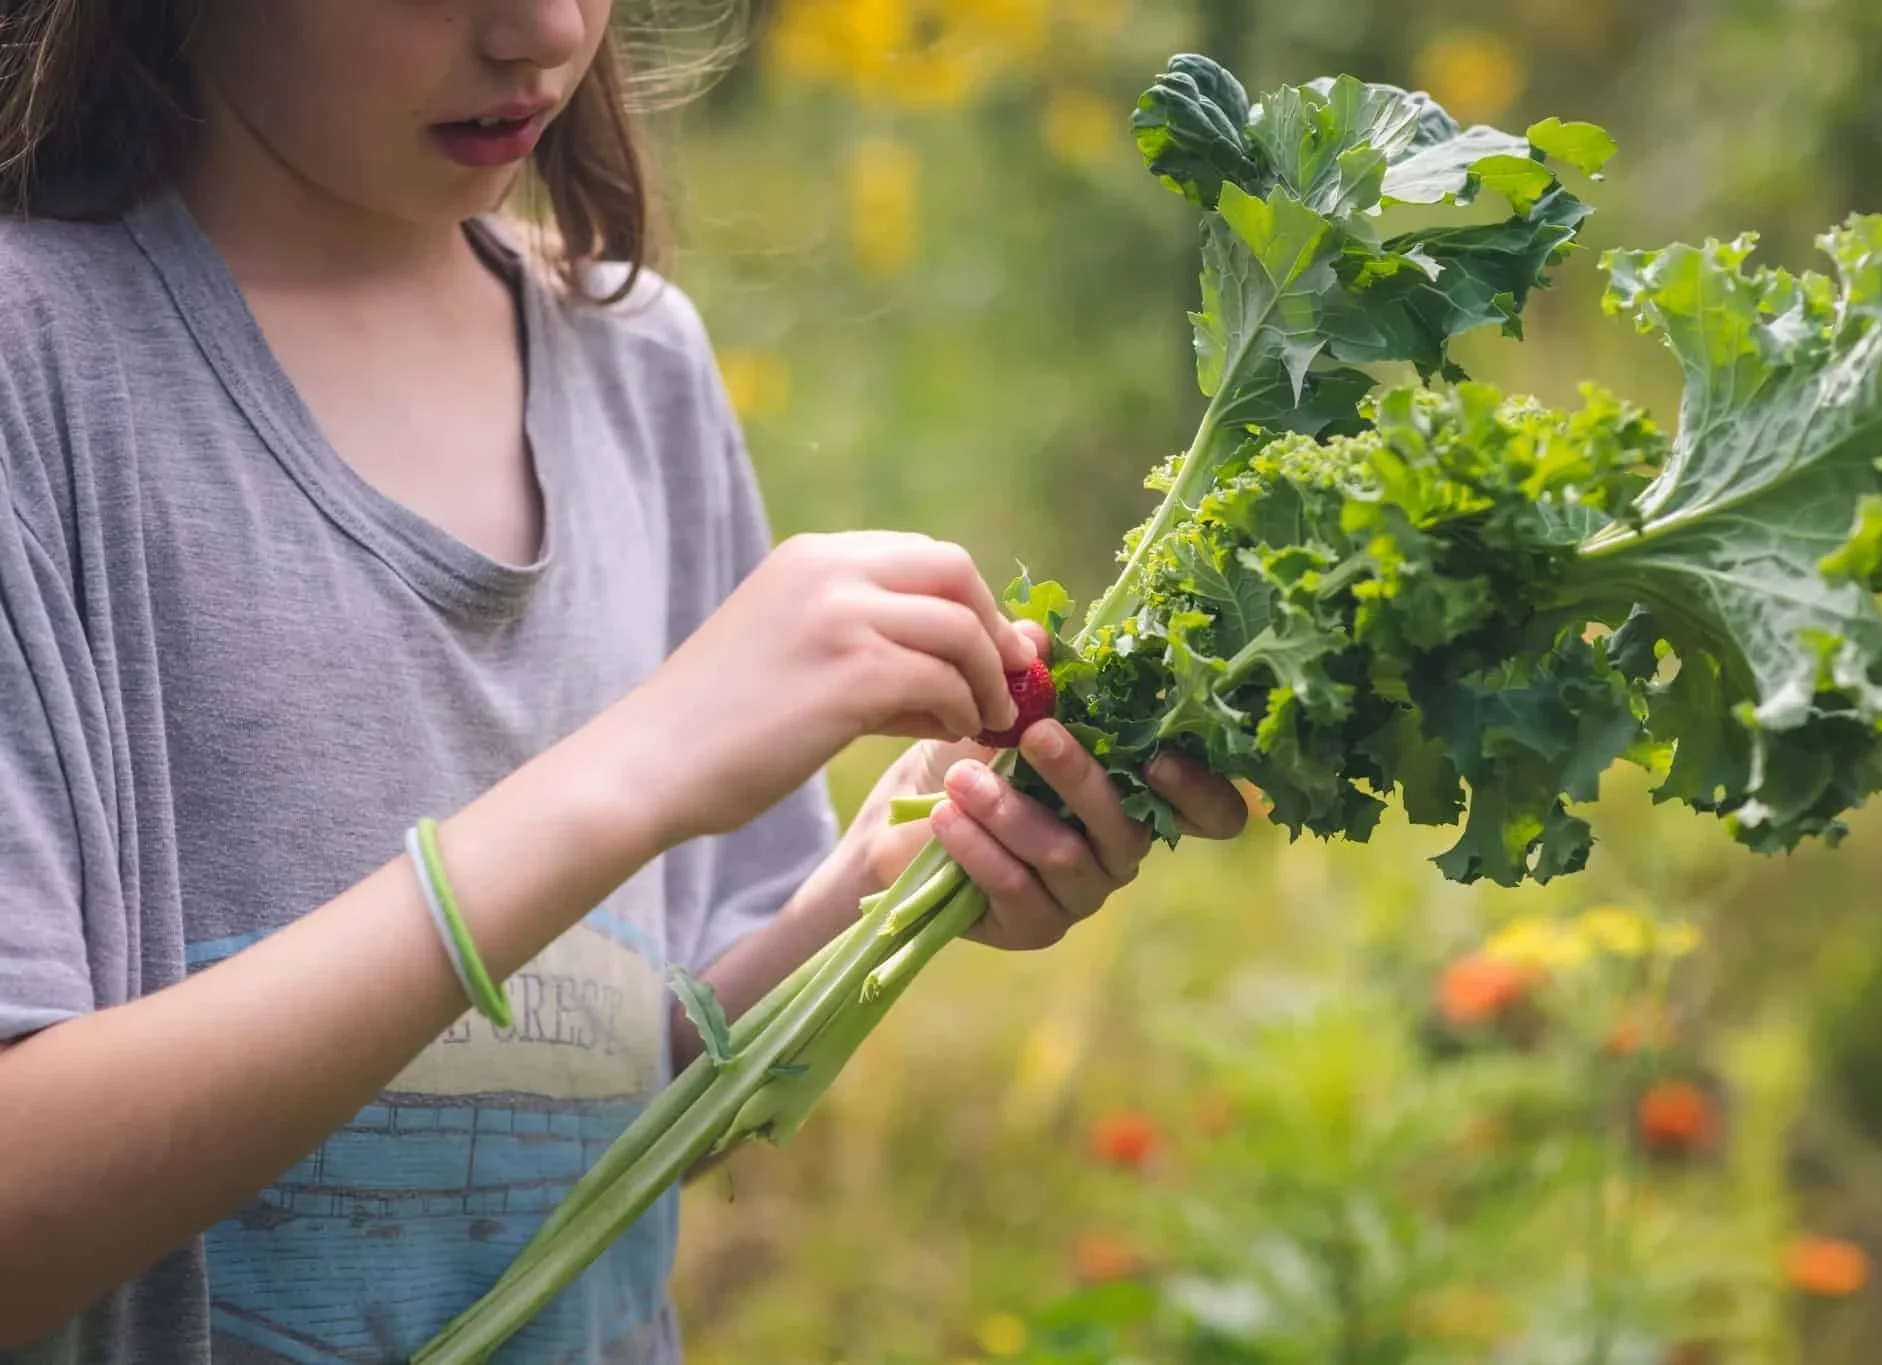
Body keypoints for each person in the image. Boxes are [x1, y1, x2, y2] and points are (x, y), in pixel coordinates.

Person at [0, 2, 1250, 1361]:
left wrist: (874, 896)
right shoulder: (41, 368)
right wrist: (632, 769)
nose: (544, 28)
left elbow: (588, 1090)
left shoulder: (635, 362)